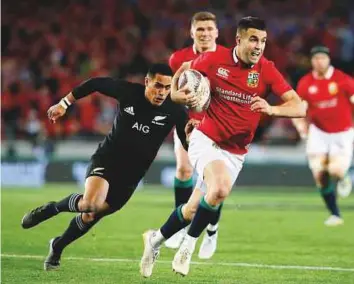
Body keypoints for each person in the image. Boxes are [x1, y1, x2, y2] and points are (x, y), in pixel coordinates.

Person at [139, 16, 306, 277]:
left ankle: (154, 240)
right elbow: (183, 68)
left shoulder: (266, 69)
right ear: (239, 40)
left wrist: (272, 109)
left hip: (236, 152)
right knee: (220, 188)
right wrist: (174, 94)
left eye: (263, 41)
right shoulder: (214, 59)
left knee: (194, 207)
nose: (259, 46)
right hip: (205, 138)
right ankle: (187, 247)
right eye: (253, 39)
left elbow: (300, 106)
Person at [21, 63, 193, 271]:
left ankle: (57, 246)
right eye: (158, 86)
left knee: (91, 216)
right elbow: (95, 83)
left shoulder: (175, 110)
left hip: (131, 177)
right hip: (107, 160)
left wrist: (198, 142)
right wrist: (64, 104)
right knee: (90, 204)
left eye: (167, 88)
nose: (162, 92)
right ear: (147, 82)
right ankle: (52, 209)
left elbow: (187, 144)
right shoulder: (129, 92)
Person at [166, 11, 228, 259]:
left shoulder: (228, 58)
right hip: (188, 122)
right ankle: (179, 227)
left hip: (218, 126)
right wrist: (182, 109)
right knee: (183, 170)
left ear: (217, 32)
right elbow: (172, 95)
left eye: (209, 29)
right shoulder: (178, 59)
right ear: (192, 32)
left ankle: (212, 230)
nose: (204, 33)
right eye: (199, 29)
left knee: (213, 183)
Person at [292, 46, 354, 226]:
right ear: (312, 61)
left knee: (335, 170)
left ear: (328, 60)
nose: (319, 61)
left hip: (342, 132)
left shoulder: (342, 80)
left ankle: (344, 176)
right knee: (320, 174)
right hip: (318, 132)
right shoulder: (305, 82)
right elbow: (300, 110)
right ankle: (335, 214)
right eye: (316, 58)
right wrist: (301, 126)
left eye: (322, 58)